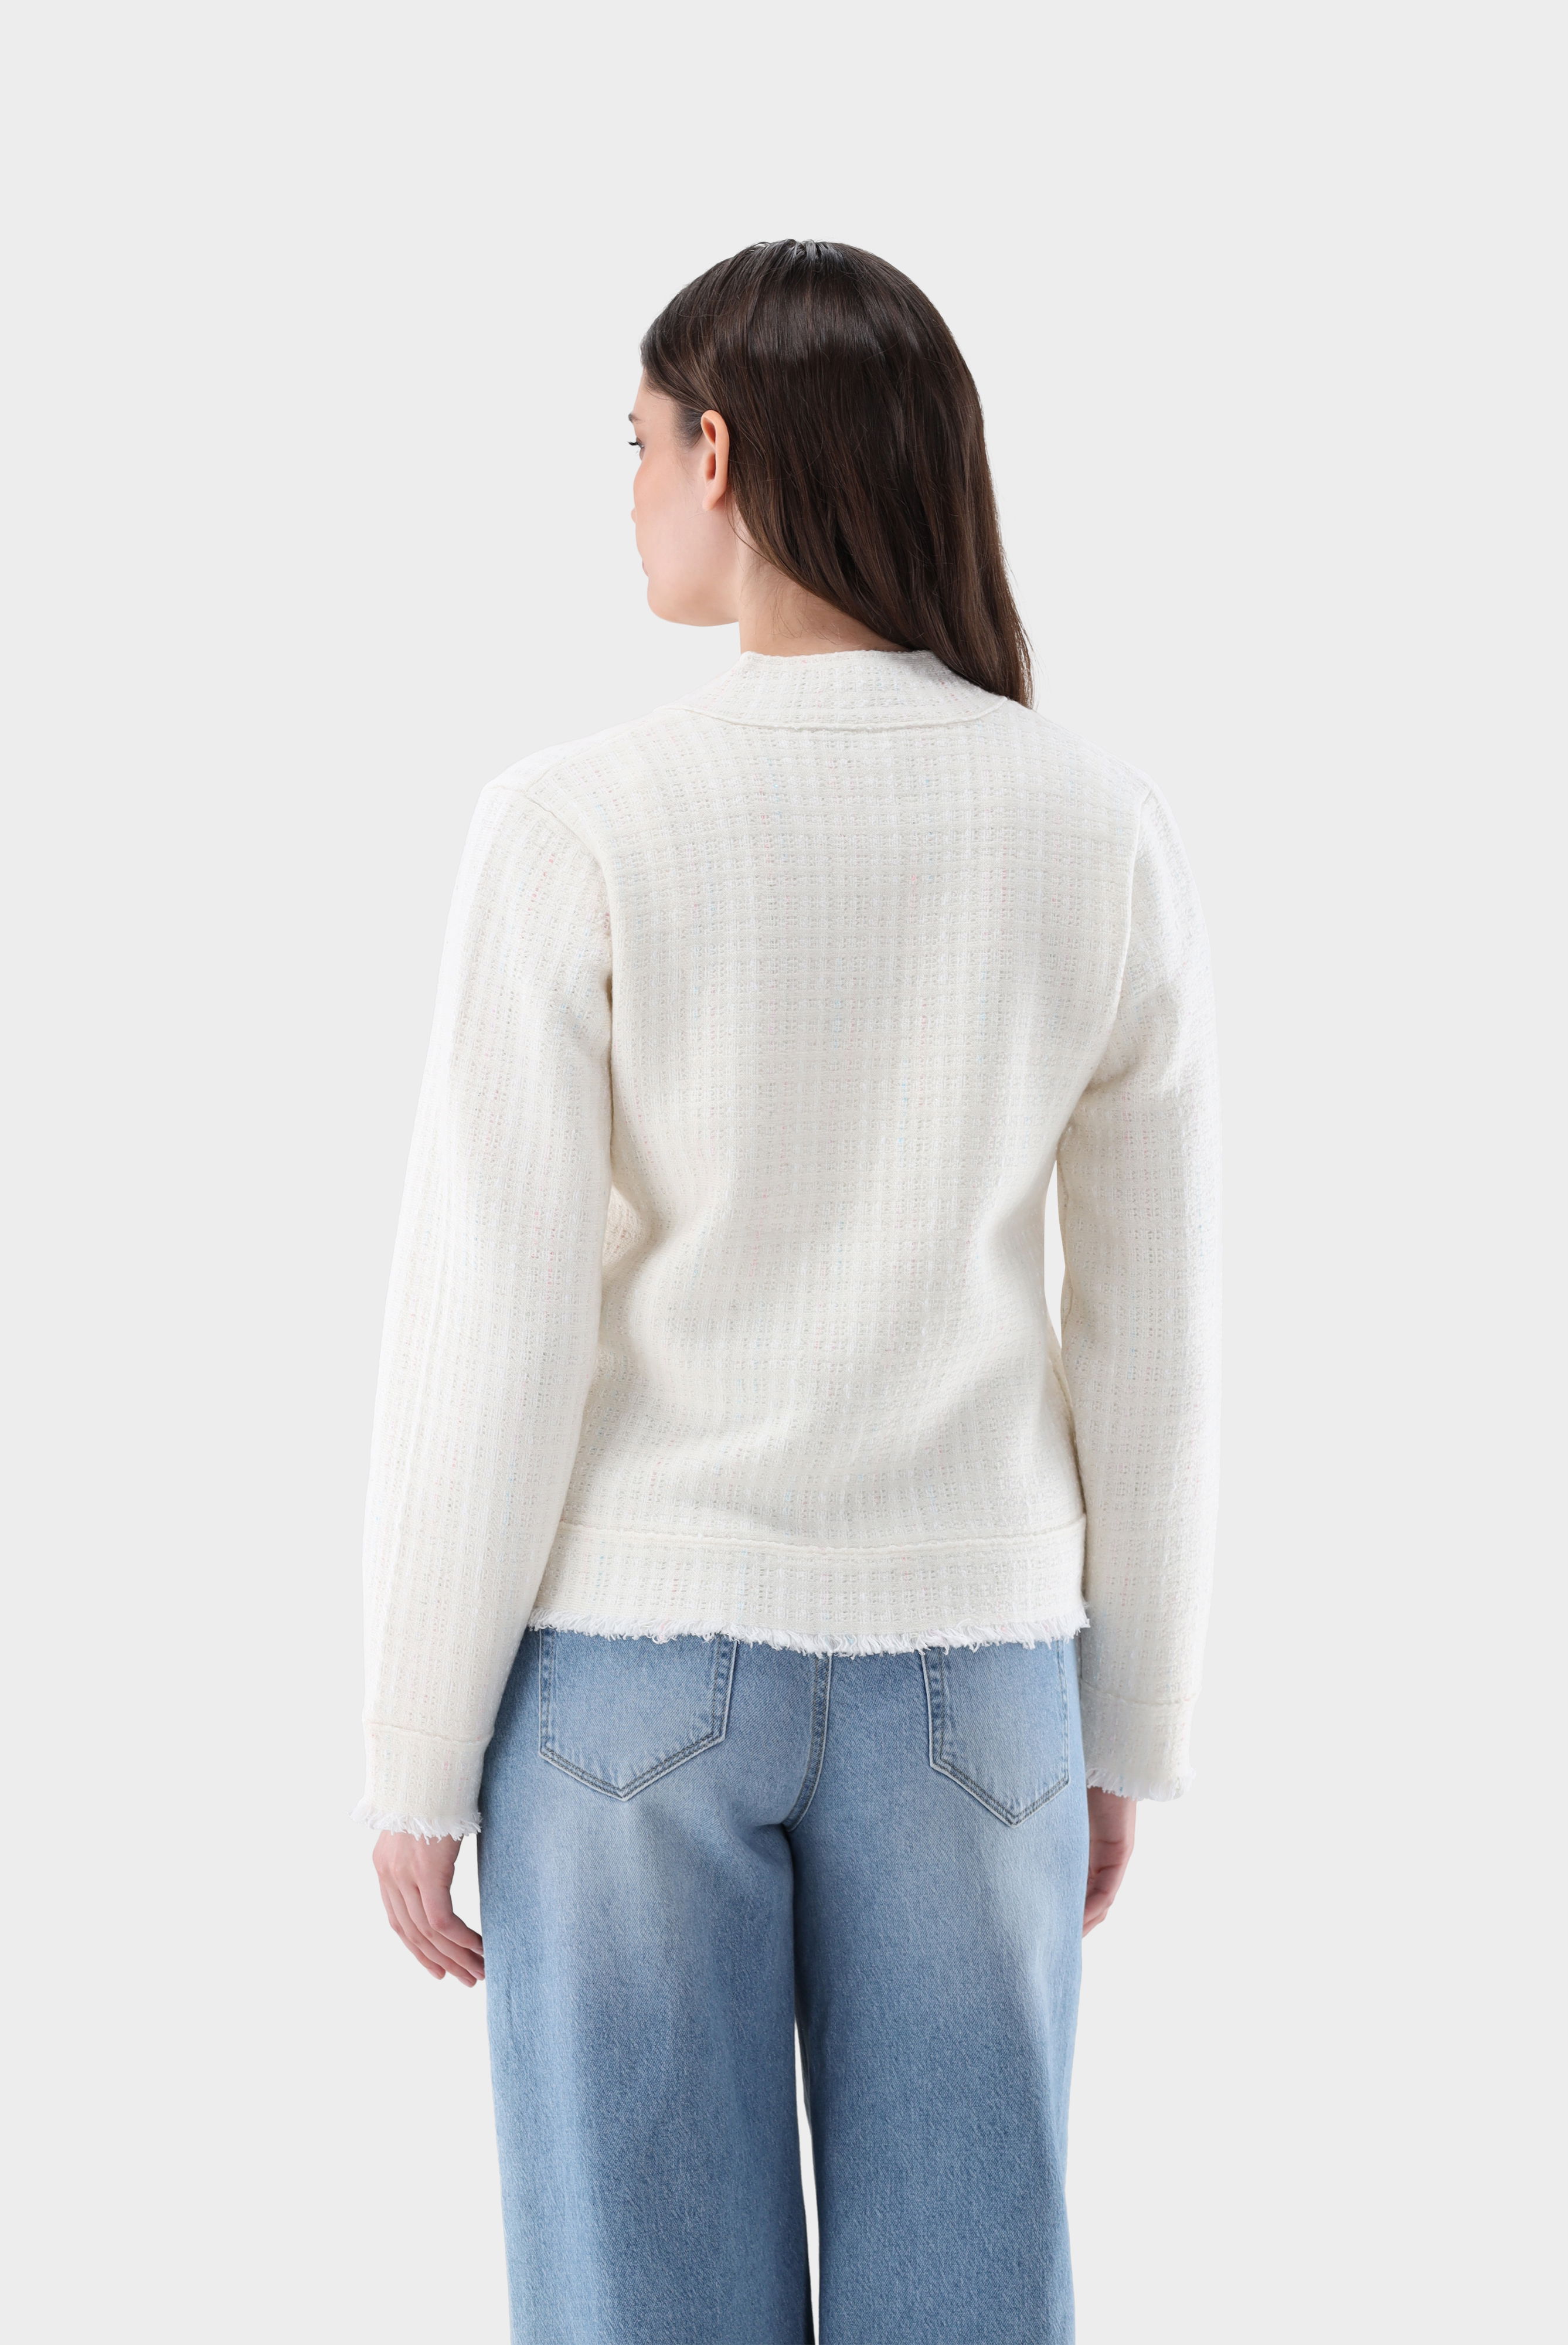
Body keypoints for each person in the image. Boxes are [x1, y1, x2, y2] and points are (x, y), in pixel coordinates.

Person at [355, 239, 1221, 2344]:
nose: (630, 490)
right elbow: (1148, 1331)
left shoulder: (575, 826)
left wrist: (412, 1755)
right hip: (977, 1679)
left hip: (626, 1680)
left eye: (637, 443)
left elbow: (493, 1323)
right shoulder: (1090, 826)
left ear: (719, 454)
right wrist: (1128, 1723)